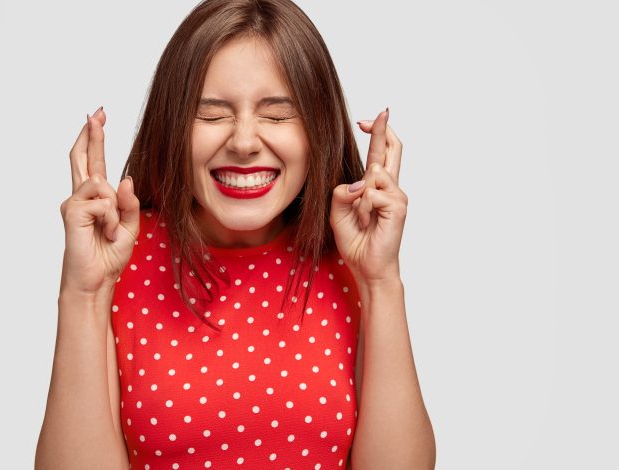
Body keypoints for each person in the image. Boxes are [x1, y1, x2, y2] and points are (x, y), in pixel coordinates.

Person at [35, 0, 435, 468]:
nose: (244, 142)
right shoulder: (120, 258)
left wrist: (380, 281)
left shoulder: (353, 258)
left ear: (317, 129)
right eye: (211, 114)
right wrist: (85, 292)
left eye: (277, 114)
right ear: (173, 127)